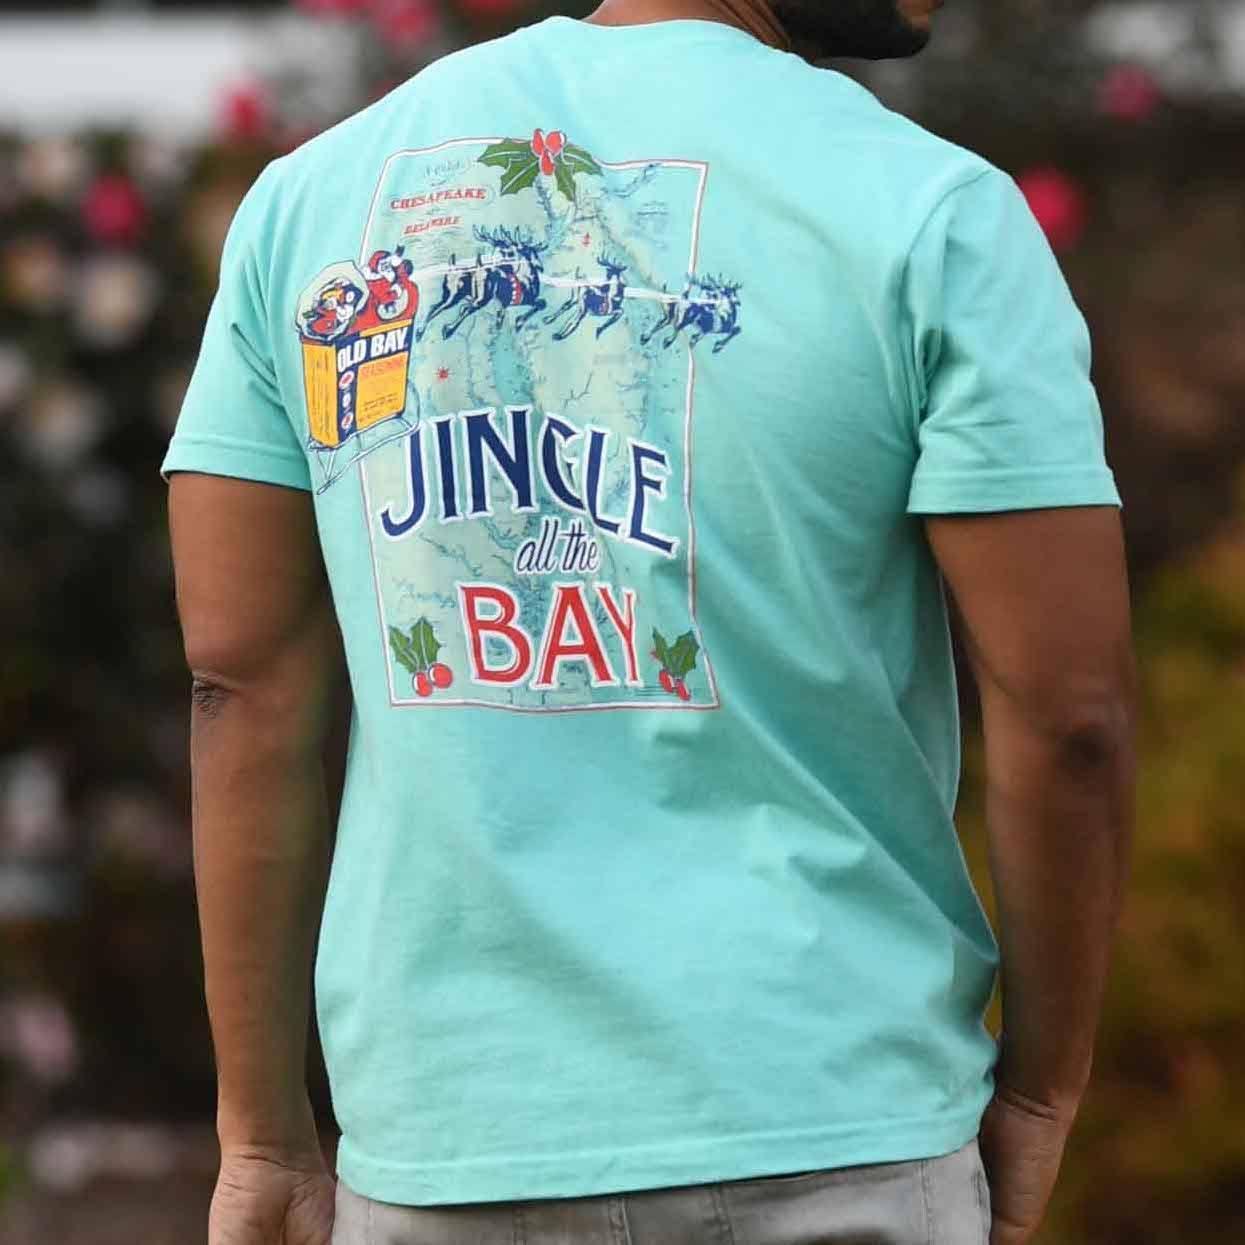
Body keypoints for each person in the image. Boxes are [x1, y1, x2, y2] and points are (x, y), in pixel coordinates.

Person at [163, 0, 1137, 1242]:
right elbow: (1070, 714)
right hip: (829, 1121)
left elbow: (241, 687)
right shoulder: (934, 213)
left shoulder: (312, 204)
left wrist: (261, 1134)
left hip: (449, 1144)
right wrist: (1044, 1089)